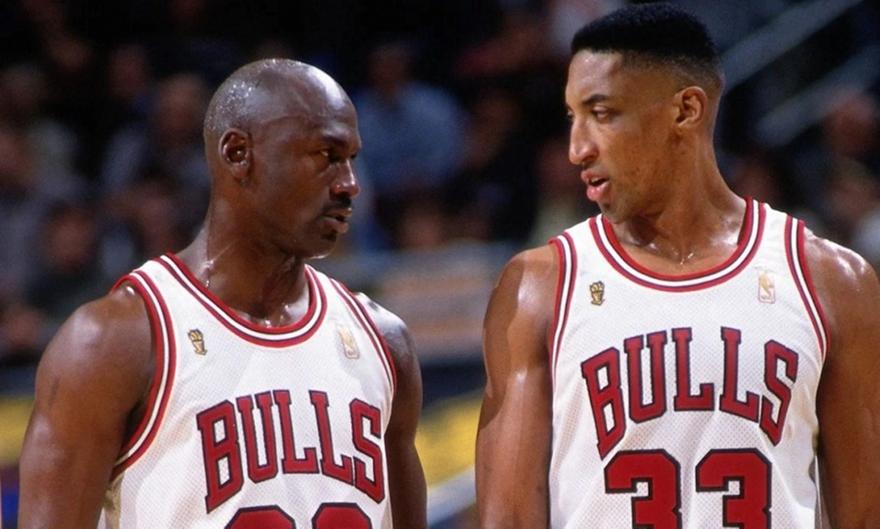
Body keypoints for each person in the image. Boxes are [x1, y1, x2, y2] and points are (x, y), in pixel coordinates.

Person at [475, 4, 880, 528]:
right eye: (573, 118)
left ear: (686, 110)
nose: (577, 149)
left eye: (602, 114)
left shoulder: (831, 282)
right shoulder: (540, 287)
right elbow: (506, 519)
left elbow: (865, 515)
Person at [18, 59, 427, 529]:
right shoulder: (115, 341)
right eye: (326, 155)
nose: (349, 184)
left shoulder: (383, 342)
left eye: (351, 159)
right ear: (238, 154)